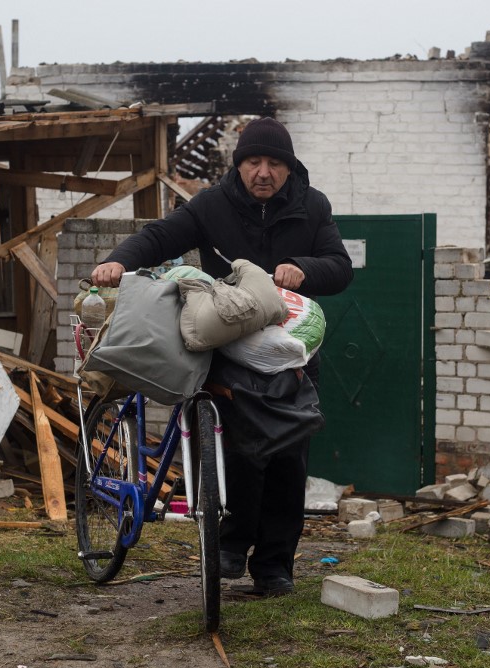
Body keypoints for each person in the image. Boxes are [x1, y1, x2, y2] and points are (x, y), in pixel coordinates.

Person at [91, 117, 353, 596]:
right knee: (235, 450)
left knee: (287, 461)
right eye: (254, 161)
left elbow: (340, 268)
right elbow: (160, 237)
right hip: (228, 350)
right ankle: (230, 546)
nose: (263, 172)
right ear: (240, 164)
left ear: (290, 169)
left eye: (275, 163)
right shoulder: (213, 204)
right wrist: (120, 260)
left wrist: (303, 269)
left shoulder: (312, 207)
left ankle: (275, 565)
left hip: (290, 354)